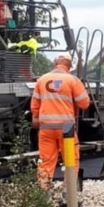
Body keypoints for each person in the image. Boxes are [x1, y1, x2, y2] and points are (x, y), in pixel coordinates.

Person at [30, 52, 90, 191]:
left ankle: (43, 193)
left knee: (46, 161)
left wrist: (37, 121)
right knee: (70, 160)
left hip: (46, 129)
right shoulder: (72, 80)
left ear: (55, 63)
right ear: (69, 65)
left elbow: (35, 106)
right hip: (66, 130)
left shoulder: (42, 80)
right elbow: (84, 103)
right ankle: (68, 193)